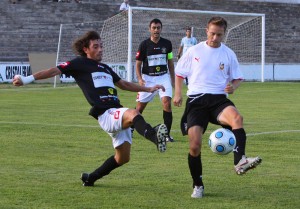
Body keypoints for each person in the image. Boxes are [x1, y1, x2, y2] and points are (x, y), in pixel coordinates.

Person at [12, 30, 168, 187]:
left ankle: (90, 178)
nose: (100, 49)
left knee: (123, 158)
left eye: (101, 46)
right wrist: (26, 79)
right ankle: (154, 136)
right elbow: (53, 70)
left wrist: (148, 89)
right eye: (95, 46)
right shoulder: (79, 64)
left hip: (117, 113)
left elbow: (124, 84)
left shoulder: (106, 68)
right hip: (106, 114)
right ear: (86, 49)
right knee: (133, 113)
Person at [173, 17, 262, 198]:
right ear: (207, 31)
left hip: (218, 99)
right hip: (196, 100)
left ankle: (240, 162)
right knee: (195, 146)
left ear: (224, 34)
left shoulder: (228, 53)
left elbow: (237, 78)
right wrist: (177, 94)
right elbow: (179, 73)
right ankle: (198, 185)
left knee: (237, 118)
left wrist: (233, 87)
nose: (215, 38)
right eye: (212, 33)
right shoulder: (194, 50)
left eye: (219, 35)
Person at [135, 18, 175, 142]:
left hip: (163, 77)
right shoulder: (144, 45)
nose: (156, 30)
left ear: (161, 29)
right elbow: (137, 64)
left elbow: (170, 61)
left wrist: (173, 79)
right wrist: (140, 79)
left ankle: (166, 134)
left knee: (167, 102)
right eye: (154, 28)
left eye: (158, 28)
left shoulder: (167, 44)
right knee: (140, 107)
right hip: (148, 78)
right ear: (150, 29)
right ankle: (130, 127)